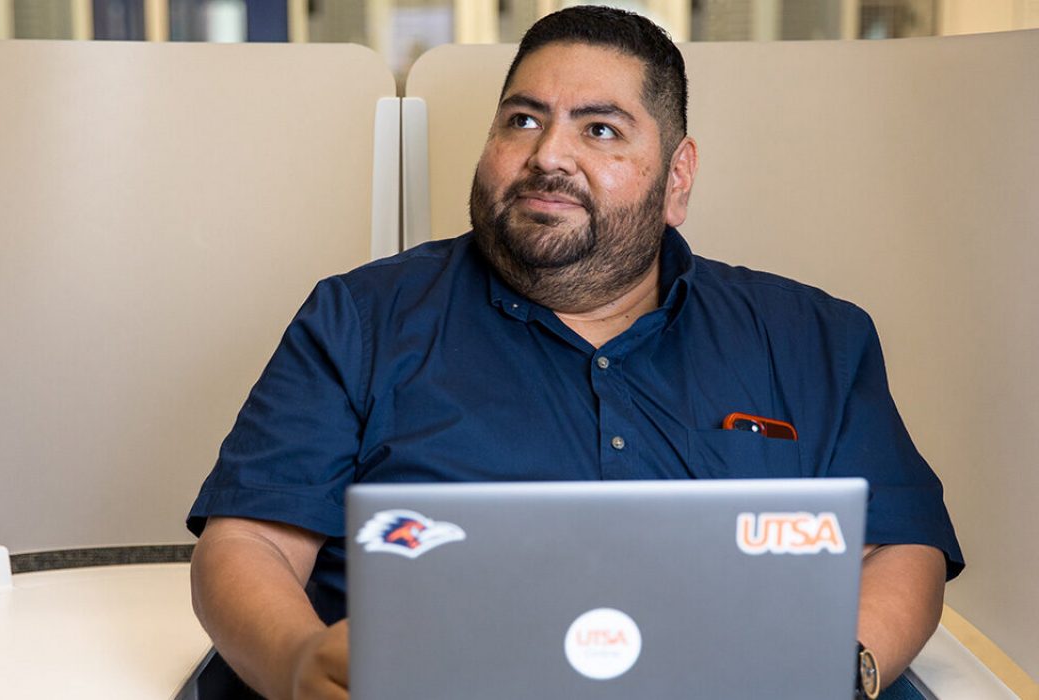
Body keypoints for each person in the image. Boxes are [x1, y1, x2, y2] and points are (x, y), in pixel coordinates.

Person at [187, 6, 964, 699]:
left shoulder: (810, 337)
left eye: (600, 129)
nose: (547, 155)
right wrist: (295, 662)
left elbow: (899, 544)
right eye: (522, 119)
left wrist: (843, 670)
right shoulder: (360, 318)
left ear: (677, 177)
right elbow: (250, 538)